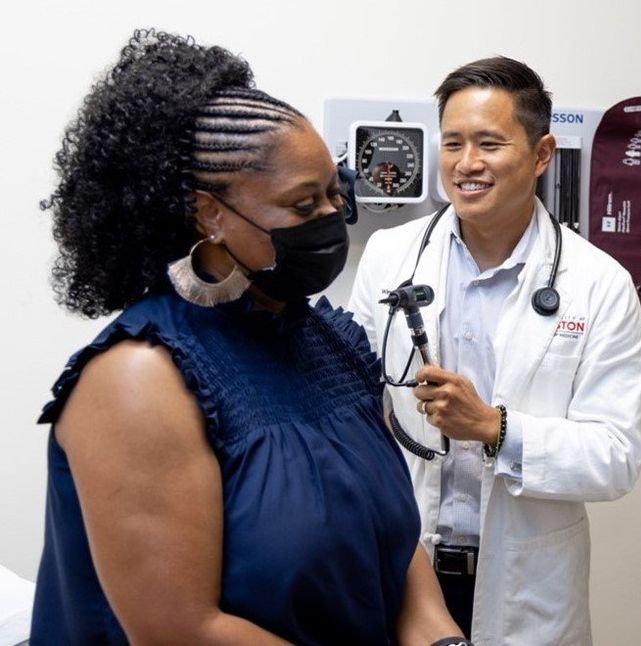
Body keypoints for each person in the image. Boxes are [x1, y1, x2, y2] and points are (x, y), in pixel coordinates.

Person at [32, 29, 464, 645]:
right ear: (209, 213)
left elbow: (393, 548)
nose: (329, 219)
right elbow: (183, 630)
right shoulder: (139, 378)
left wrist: (443, 640)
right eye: (301, 203)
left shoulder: (328, 343)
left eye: (332, 194)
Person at [348, 56, 641, 643]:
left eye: (489, 143)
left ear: (541, 155)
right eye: (453, 143)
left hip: (525, 589)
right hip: (404, 571)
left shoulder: (598, 282)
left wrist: (495, 428)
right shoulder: (389, 257)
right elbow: (352, 410)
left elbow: (617, 456)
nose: (467, 164)